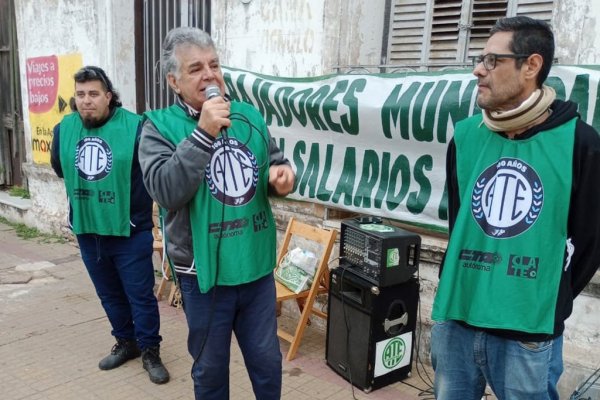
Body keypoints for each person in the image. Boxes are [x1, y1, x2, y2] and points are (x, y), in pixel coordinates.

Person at [430, 16, 600, 399]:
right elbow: (462, 221)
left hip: (528, 332)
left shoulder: (580, 143)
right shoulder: (466, 136)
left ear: (531, 66)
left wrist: (551, 299)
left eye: (492, 61)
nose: (478, 70)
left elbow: (590, 240)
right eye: (480, 58)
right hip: (456, 317)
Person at [138, 27, 295, 400]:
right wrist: (204, 133)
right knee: (209, 371)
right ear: (174, 82)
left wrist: (280, 178)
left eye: (214, 64)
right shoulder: (158, 127)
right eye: (196, 69)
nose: (209, 75)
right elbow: (166, 190)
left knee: (268, 364)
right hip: (202, 277)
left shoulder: (248, 115)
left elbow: (273, 164)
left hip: (254, 270)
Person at [50, 66, 170, 385]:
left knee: (140, 295)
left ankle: (149, 350)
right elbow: (61, 168)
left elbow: (154, 173)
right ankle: (126, 342)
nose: (86, 101)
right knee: (109, 295)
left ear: (109, 96)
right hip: (89, 230)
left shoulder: (136, 127)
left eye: (93, 94)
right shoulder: (65, 130)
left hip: (129, 232)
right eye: (80, 94)